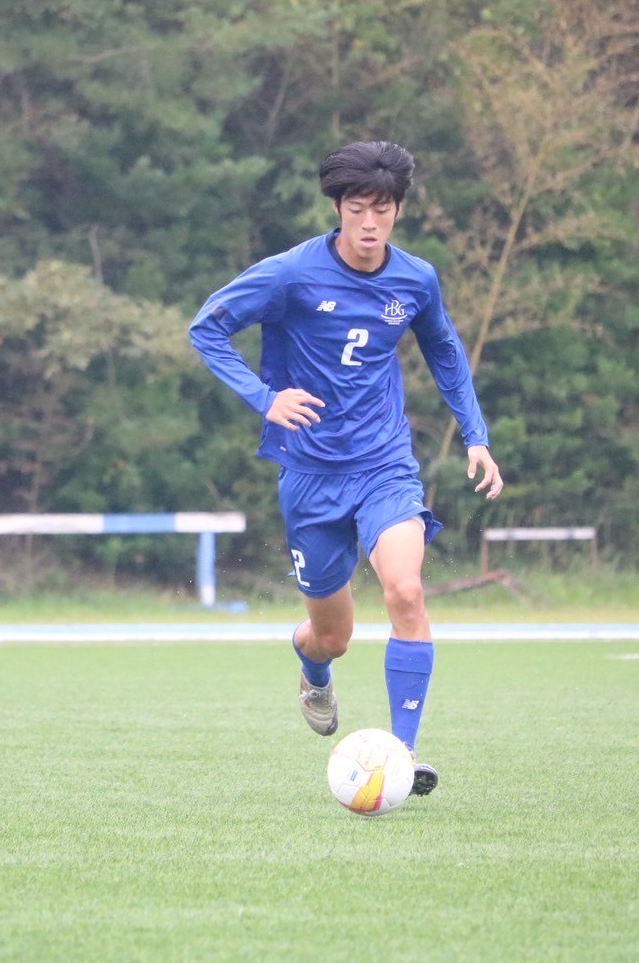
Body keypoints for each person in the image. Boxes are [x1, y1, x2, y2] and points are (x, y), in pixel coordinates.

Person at [188, 140, 502, 797]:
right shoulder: (290, 273)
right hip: (309, 476)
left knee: (405, 591)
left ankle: (402, 753)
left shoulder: (415, 280)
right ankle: (312, 672)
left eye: (381, 209)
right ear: (337, 208)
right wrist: (265, 399)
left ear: (398, 211)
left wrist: (475, 435)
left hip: (384, 465)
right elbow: (206, 329)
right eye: (356, 208)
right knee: (332, 637)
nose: (368, 222)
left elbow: (445, 350)